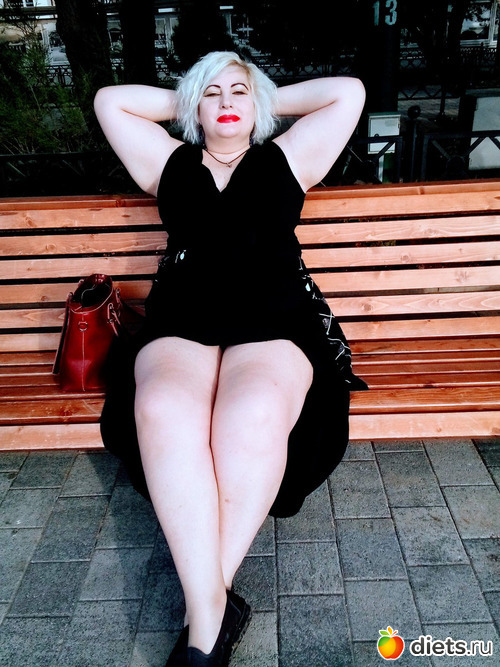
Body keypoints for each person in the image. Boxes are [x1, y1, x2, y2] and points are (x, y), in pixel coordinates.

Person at [94, 51, 367, 667]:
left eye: (238, 92)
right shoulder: (167, 162)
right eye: (211, 94)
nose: (225, 103)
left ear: (258, 104)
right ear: (194, 107)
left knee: (252, 414)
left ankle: (202, 622)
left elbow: (347, 91)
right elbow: (111, 100)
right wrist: (196, 95)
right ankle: (213, 610)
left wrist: (259, 95)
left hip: (275, 321)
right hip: (183, 321)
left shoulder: (289, 158)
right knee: (162, 405)